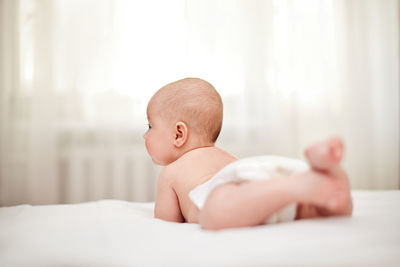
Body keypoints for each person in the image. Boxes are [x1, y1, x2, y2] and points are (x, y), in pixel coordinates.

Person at [143, 77, 353, 230]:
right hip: (258, 185)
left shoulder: (170, 173)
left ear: (179, 133)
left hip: (232, 195)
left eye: (150, 126)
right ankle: (326, 177)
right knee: (302, 211)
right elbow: (245, 177)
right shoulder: (223, 156)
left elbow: (166, 225)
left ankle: (298, 186)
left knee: (213, 212)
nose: (145, 135)